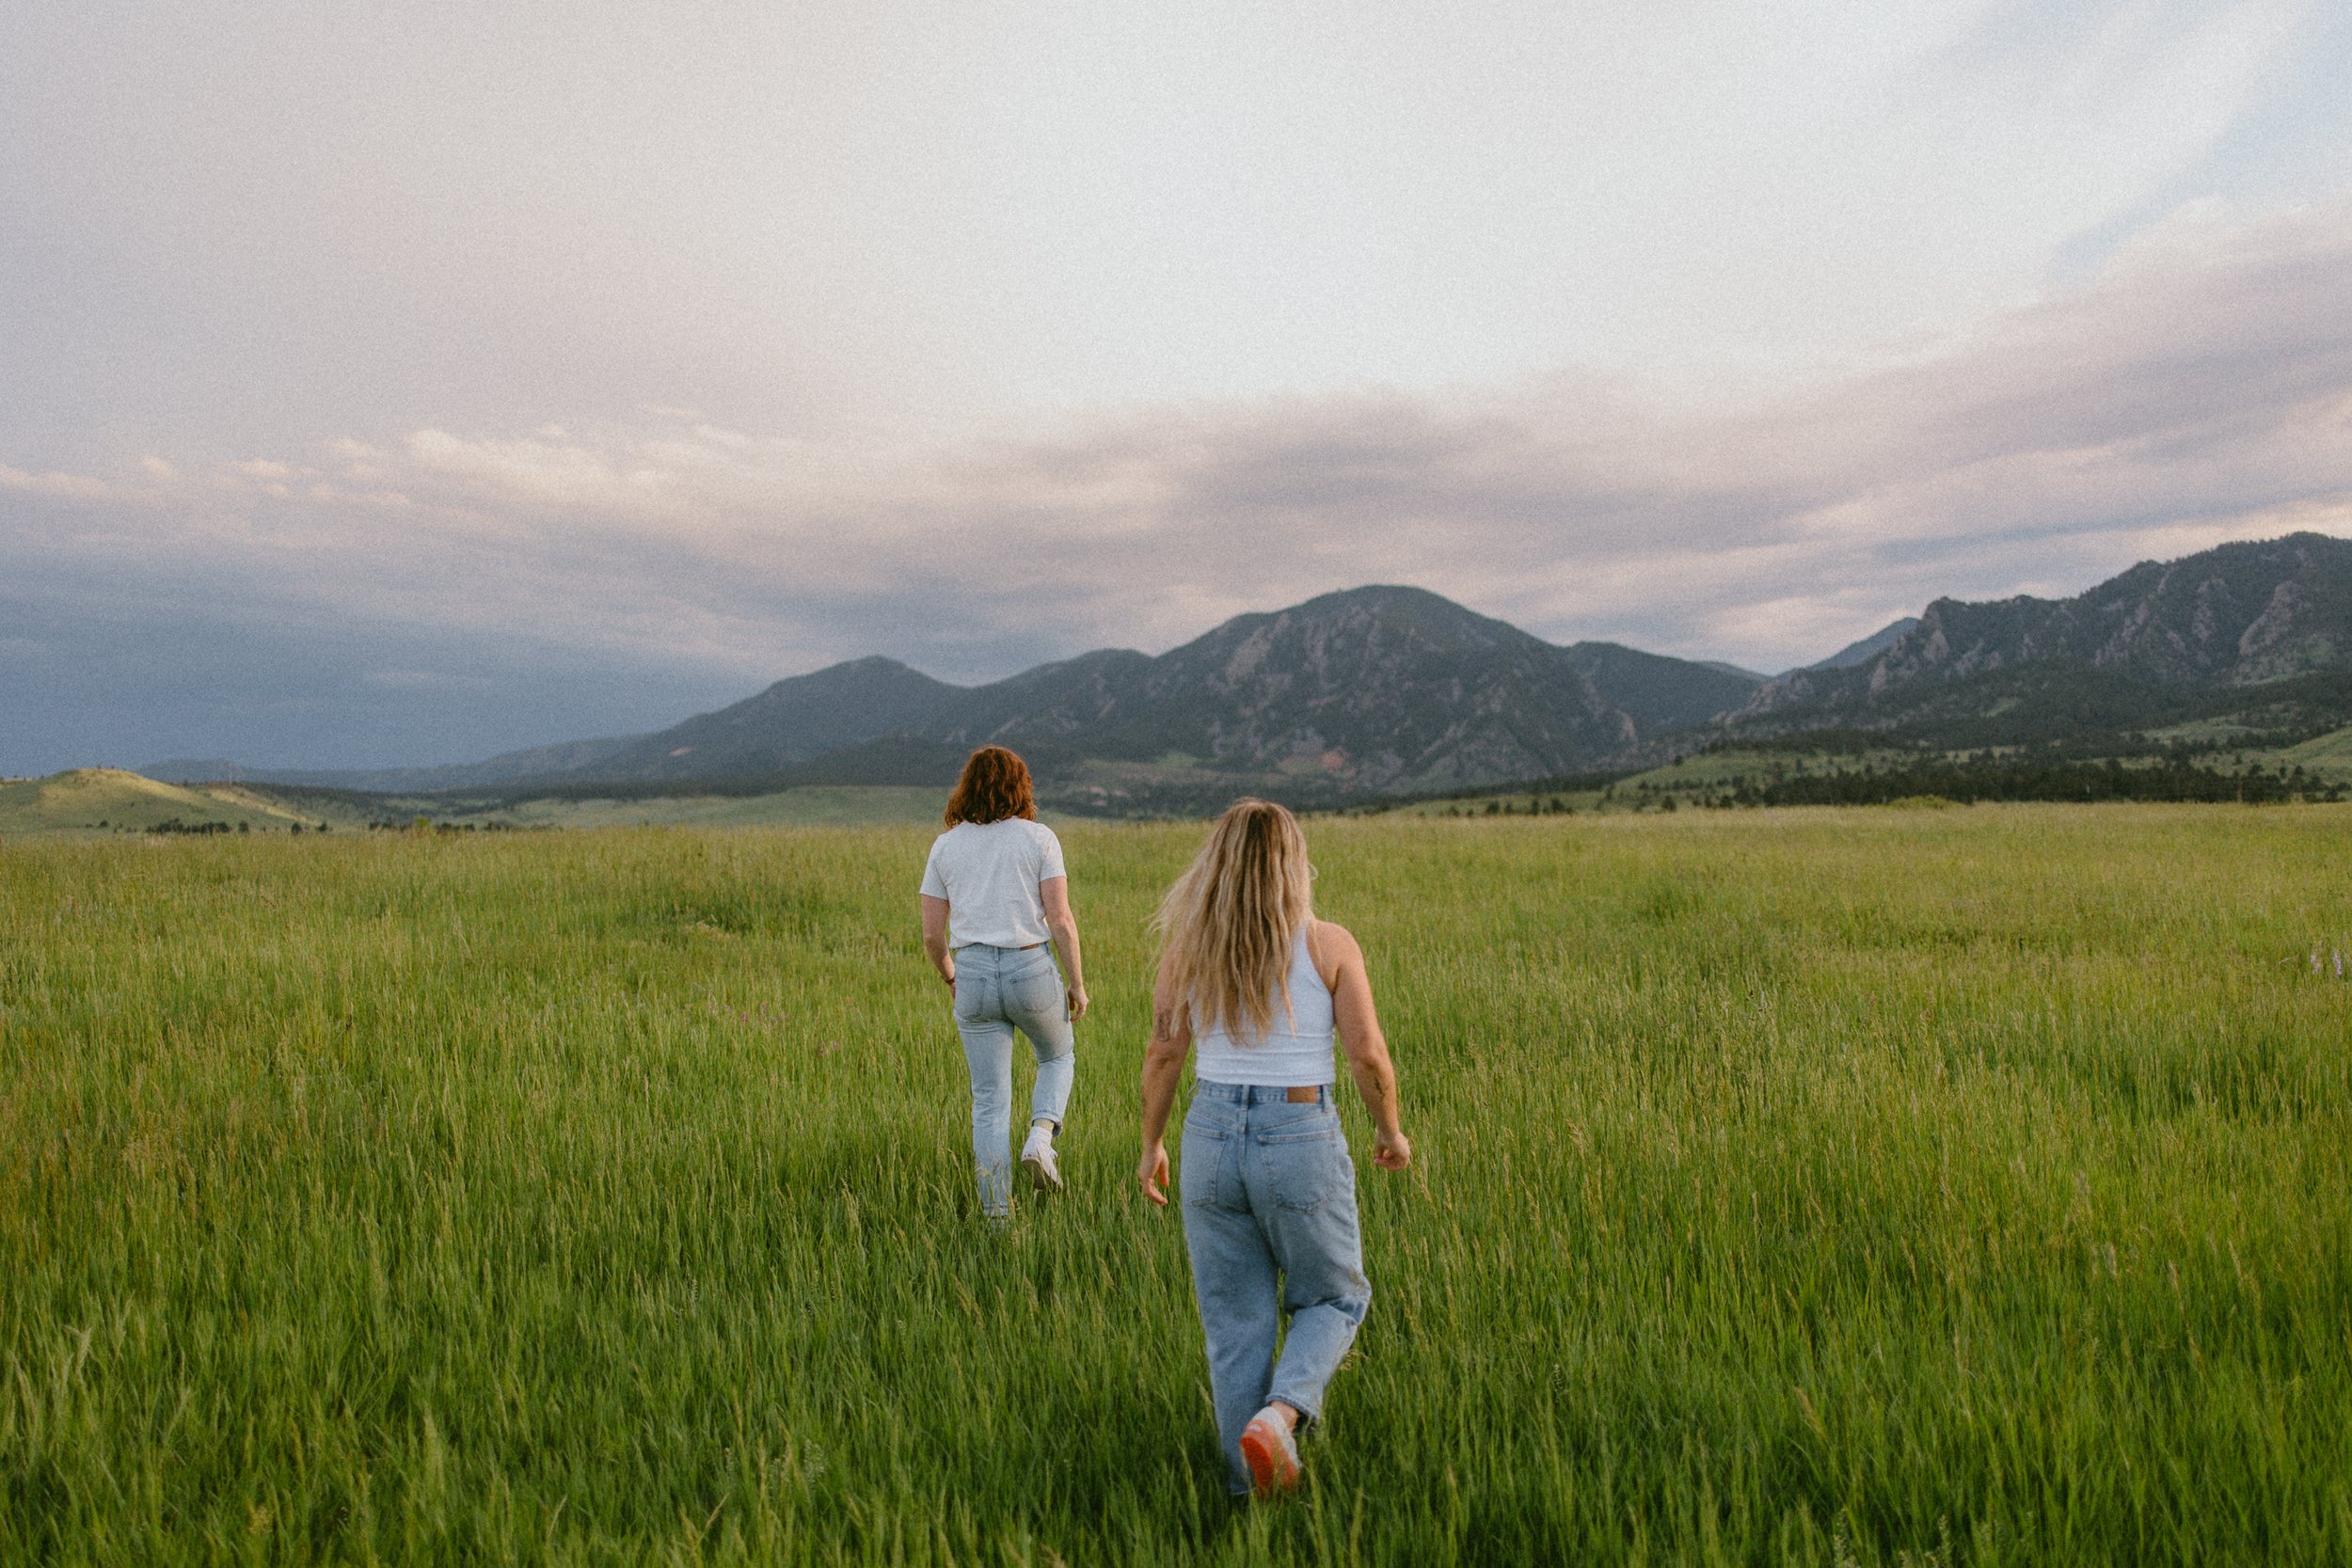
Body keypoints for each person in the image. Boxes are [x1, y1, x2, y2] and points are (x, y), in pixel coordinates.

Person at [1136, 799, 1411, 1499]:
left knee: (1236, 1328)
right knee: (1337, 1298)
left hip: (1209, 1137)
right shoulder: (1328, 945)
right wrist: (1389, 1128)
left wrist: (1151, 1145)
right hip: (1299, 1133)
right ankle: (1282, 1414)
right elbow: (1368, 1056)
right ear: (1293, 866)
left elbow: (1165, 1053)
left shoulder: (1188, 949)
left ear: (1218, 867)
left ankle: (1245, 1496)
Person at [920, 745, 1089, 1219]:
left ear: (967, 787)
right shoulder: (1040, 839)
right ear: (1021, 786)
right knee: (1058, 1055)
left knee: (990, 1102)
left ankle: (997, 1221)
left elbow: (933, 934)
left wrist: (950, 975)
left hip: (971, 973)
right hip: (1029, 967)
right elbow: (1060, 918)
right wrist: (1076, 982)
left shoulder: (945, 846)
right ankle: (1040, 1137)